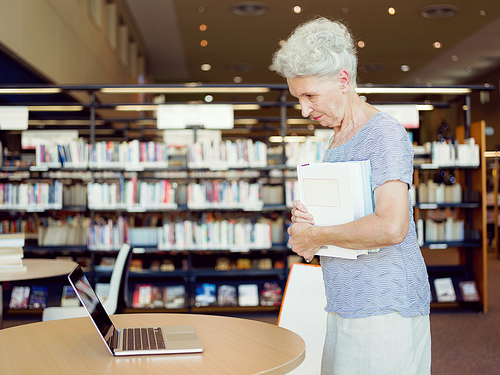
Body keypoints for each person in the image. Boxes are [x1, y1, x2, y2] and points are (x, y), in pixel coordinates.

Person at [272, 17, 431, 375]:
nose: (305, 110)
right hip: (345, 302)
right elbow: (349, 220)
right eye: (298, 98)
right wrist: (309, 224)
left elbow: (391, 227)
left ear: (343, 80)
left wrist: (317, 235)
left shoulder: (384, 134)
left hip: (385, 306)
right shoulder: (338, 140)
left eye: (310, 95)